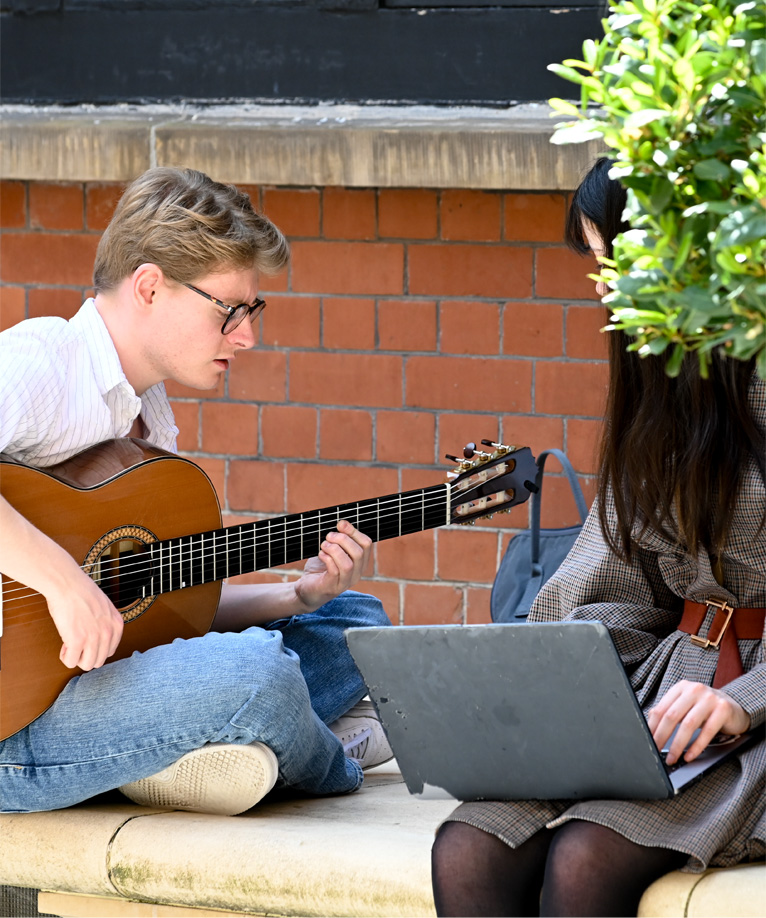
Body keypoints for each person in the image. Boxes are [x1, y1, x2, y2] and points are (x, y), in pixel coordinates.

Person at [0, 166, 392, 817]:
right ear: (150, 286)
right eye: (230, 309)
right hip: (16, 727)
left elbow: (166, 607)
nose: (247, 335)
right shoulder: (42, 360)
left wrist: (294, 593)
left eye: (252, 311)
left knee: (355, 625)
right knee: (258, 671)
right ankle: (325, 761)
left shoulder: (150, 417)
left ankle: (188, 748)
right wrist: (65, 586)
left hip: (92, 687)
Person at [431, 157, 766, 917]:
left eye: (620, 263)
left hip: (751, 714)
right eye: (599, 267)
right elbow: (618, 583)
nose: (606, 292)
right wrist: (545, 682)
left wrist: (744, 698)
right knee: (470, 847)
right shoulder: (659, 380)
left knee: (584, 861)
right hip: (667, 701)